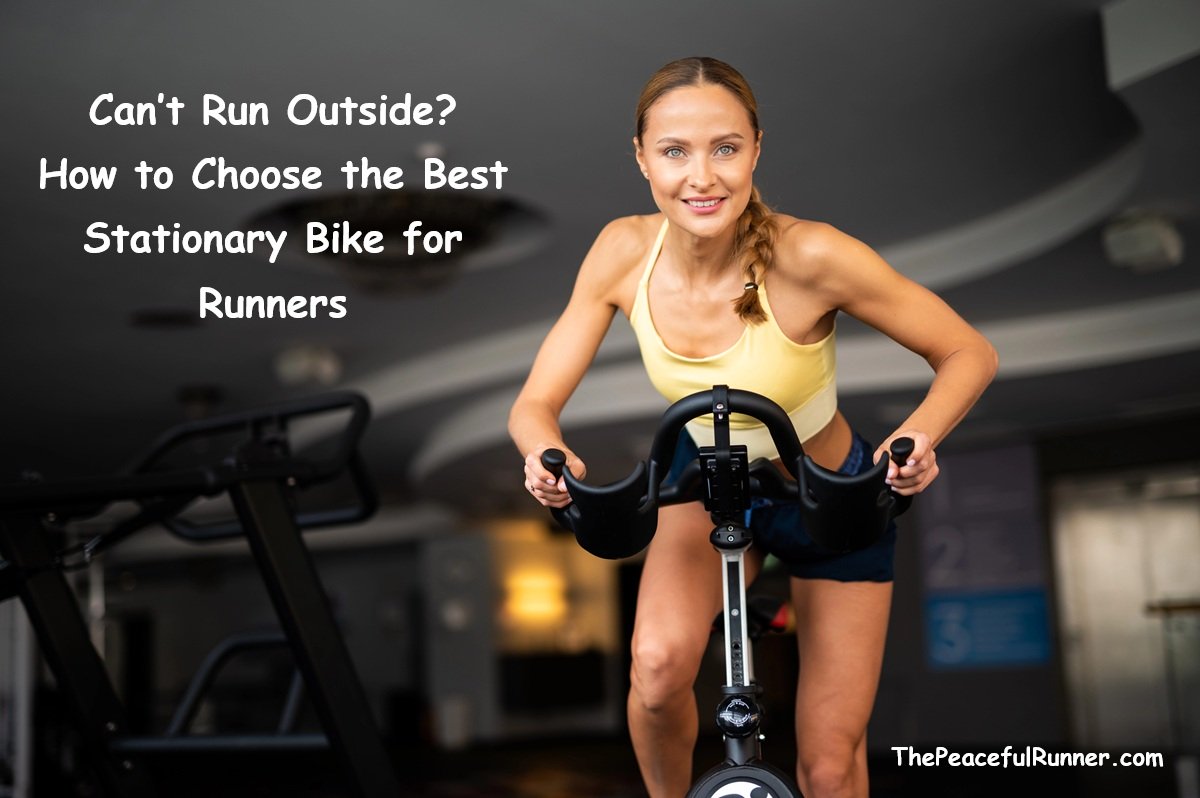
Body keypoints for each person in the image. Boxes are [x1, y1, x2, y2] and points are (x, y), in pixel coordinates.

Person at [508, 56, 997, 798]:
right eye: (674, 151)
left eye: (724, 148)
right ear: (641, 157)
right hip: (704, 491)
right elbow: (534, 403)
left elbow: (968, 351)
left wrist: (918, 437)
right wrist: (544, 454)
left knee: (830, 764)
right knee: (656, 670)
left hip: (828, 499)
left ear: (757, 149)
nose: (701, 176)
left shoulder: (813, 255)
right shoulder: (621, 253)